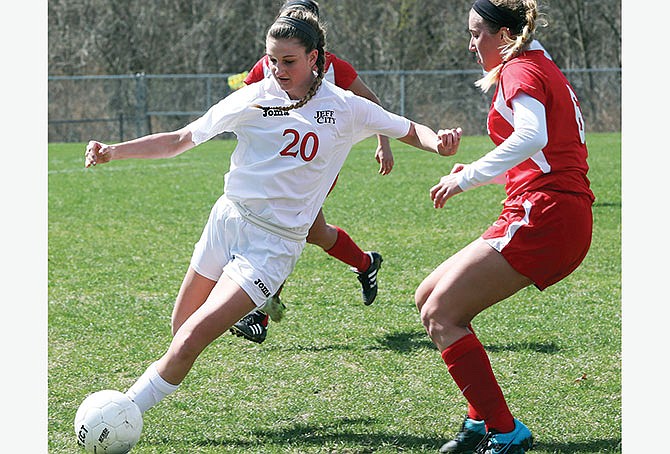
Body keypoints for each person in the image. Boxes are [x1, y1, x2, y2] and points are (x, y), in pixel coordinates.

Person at [83, 7, 462, 446]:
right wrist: (114, 151)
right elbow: (182, 140)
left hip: (273, 245)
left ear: (316, 58)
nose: (278, 70)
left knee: (189, 340)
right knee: (179, 327)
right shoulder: (253, 97)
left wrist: (440, 142)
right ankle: (240, 313)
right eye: (271, 59)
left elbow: (408, 129)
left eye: (289, 61)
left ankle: (123, 411)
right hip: (227, 220)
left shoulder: (345, 107)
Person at [414, 1, 594, 453]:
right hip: (546, 208)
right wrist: (478, 173)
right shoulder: (539, 62)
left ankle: (505, 429)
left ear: (506, 34)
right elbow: (545, 152)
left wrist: (468, 178)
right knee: (427, 299)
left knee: (441, 313)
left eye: (478, 33)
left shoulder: (519, 69)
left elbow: (531, 136)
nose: (472, 44)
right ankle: (480, 421)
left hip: (546, 214)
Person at [231, 0, 395, 344]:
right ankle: (365, 263)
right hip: (278, 165)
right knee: (313, 232)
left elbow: (372, 105)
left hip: (315, 168)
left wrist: (385, 143)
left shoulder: (336, 70)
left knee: (284, 226)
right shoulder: (269, 65)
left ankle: (259, 311)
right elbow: (245, 102)